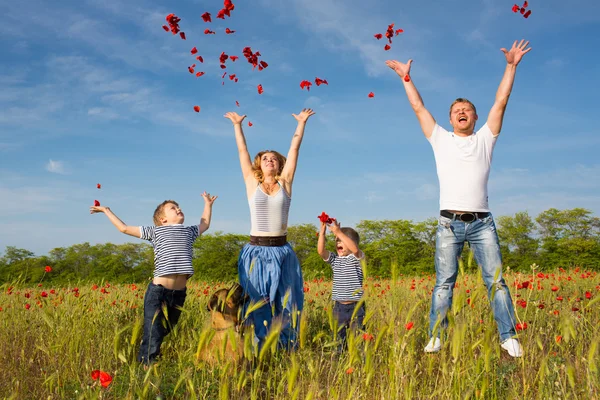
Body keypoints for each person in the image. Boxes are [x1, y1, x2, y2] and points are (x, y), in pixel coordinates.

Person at [386, 39, 532, 358]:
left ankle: (507, 336)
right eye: (456, 111)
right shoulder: (440, 139)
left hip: (483, 224)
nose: (461, 113)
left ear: (476, 117)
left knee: (496, 282)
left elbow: (502, 100)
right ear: (451, 119)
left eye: (466, 110)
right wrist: (406, 78)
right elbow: (418, 108)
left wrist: (511, 66)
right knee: (443, 284)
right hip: (448, 225)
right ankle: (436, 335)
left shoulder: (485, 139)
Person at [223, 108, 315, 350]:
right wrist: (237, 125)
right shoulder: (252, 183)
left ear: (279, 164)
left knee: (287, 302)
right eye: (265, 158)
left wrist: (301, 123)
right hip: (256, 252)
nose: (270, 160)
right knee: (258, 302)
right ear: (259, 165)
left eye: (274, 158)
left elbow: (295, 150)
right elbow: (242, 152)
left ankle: (286, 348)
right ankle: (261, 349)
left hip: (283, 252)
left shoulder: (286, 182)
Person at [90, 192, 217, 364]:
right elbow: (124, 228)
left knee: (167, 328)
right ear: (163, 219)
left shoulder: (189, 231)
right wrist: (106, 210)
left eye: (179, 207)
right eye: (173, 208)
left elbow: (205, 224)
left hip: (179, 293)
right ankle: (146, 366)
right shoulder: (156, 231)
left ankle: (151, 357)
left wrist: (207, 205)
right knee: (153, 331)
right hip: (158, 292)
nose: (179, 209)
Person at [317, 219, 365, 348]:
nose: (338, 242)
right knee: (339, 340)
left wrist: (338, 232)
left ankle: (359, 363)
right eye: (337, 240)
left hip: (357, 307)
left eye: (342, 240)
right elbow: (321, 251)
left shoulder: (357, 258)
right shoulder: (334, 260)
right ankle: (339, 360)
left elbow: (354, 249)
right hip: (339, 308)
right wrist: (322, 233)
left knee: (358, 340)